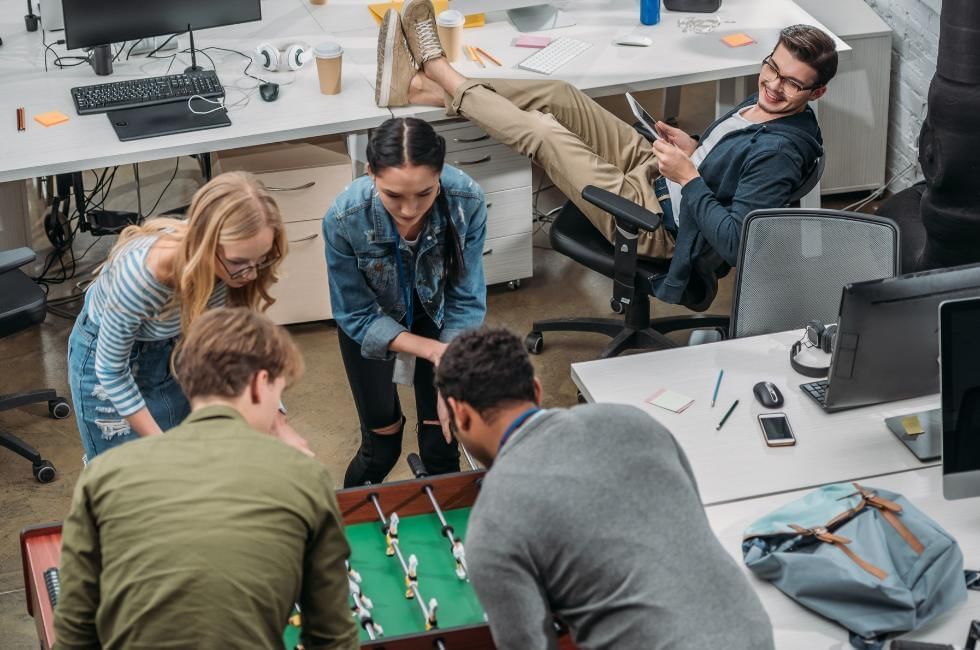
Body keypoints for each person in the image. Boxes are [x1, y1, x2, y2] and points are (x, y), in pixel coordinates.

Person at [377, 2, 837, 302]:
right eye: (772, 68)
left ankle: (436, 70)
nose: (774, 85)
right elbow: (729, 159)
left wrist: (689, 178)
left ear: (815, 94)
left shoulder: (780, 152)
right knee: (560, 94)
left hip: (662, 221)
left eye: (792, 83)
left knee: (545, 135)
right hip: (663, 174)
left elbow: (741, 242)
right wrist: (694, 149)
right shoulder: (765, 104)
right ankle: (427, 88)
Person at [434, 327, 775, 649]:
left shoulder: (492, 523)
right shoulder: (633, 421)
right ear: (536, 390)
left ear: (460, 414)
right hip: (754, 633)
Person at [54, 308, 358, 650]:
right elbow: (332, 637)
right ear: (260, 384)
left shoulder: (103, 474)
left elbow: (75, 627)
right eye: (279, 393)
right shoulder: (305, 476)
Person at [68, 171, 288, 462]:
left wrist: (274, 412)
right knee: (128, 477)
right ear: (204, 244)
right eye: (239, 262)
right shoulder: (141, 278)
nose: (250, 274)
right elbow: (111, 371)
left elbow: (227, 343)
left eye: (260, 260)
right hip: (110, 366)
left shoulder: (229, 265)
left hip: (174, 346)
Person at [324, 116, 487, 488]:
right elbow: (356, 314)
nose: (410, 210)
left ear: (441, 174)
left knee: (442, 442)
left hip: (440, 319)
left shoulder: (467, 201)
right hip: (372, 326)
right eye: (394, 196)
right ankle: (346, 527)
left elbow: (465, 300)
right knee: (381, 447)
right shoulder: (344, 217)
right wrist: (434, 353)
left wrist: (449, 371)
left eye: (425, 193)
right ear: (370, 174)